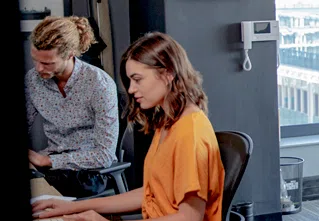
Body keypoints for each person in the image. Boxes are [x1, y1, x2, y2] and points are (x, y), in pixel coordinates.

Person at [32, 32, 225, 221]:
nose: (131, 89)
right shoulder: (169, 123)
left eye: (138, 79)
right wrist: (73, 206)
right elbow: (151, 193)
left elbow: (189, 217)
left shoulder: (190, 132)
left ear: (167, 74)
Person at [25, 16, 119, 197]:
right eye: (35, 60)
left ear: (70, 55)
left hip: (89, 171)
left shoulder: (99, 84)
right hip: (51, 167)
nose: (38, 69)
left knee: (44, 194)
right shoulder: (33, 80)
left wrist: (47, 160)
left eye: (47, 63)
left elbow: (104, 155)